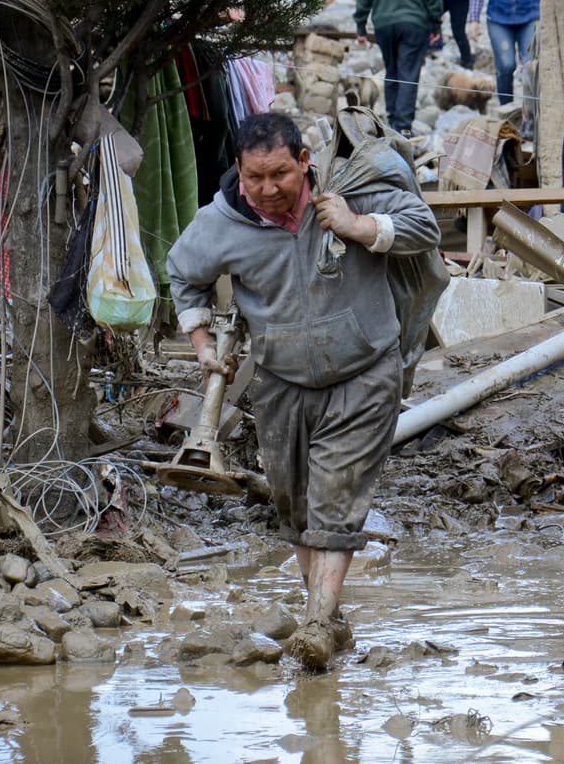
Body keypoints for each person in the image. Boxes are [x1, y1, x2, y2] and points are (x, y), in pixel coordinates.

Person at [166, 113, 440, 670]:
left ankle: (315, 624)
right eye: (254, 178)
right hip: (281, 379)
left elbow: (424, 228)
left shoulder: (349, 195)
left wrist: (359, 226)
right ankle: (331, 618)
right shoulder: (219, 224)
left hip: (366, 368)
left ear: (305, 164)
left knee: (336, 493)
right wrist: (201, 344)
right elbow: (183, 273)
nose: (268, 190)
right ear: (238, 172)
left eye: (281, 175)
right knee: (295, 507)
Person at [354, 0, 445, 135]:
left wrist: (360, 26)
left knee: (392, 70)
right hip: (415, 24)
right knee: (409, 72)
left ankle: (391, 119)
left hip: (384, 25)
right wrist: (435, 25)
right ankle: (402, 126)